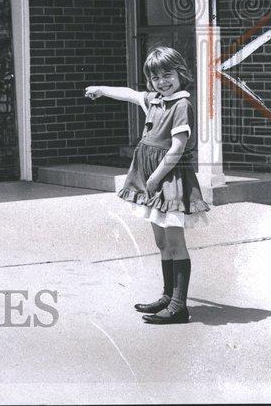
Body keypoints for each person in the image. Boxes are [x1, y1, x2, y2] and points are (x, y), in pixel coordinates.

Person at [85, 46, 210, 325]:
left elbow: (177, 147)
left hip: (170, 179)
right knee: (161, 240)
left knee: (175, 242)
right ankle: (168, 296)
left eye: (167, 75)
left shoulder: (181, 105)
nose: (161, 82)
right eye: (155, 78)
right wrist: (101, 89)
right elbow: (129, 94)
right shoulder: (155, 100)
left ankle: (179, 306)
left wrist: (154, 178)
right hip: (150, 178)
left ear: (181, 73)